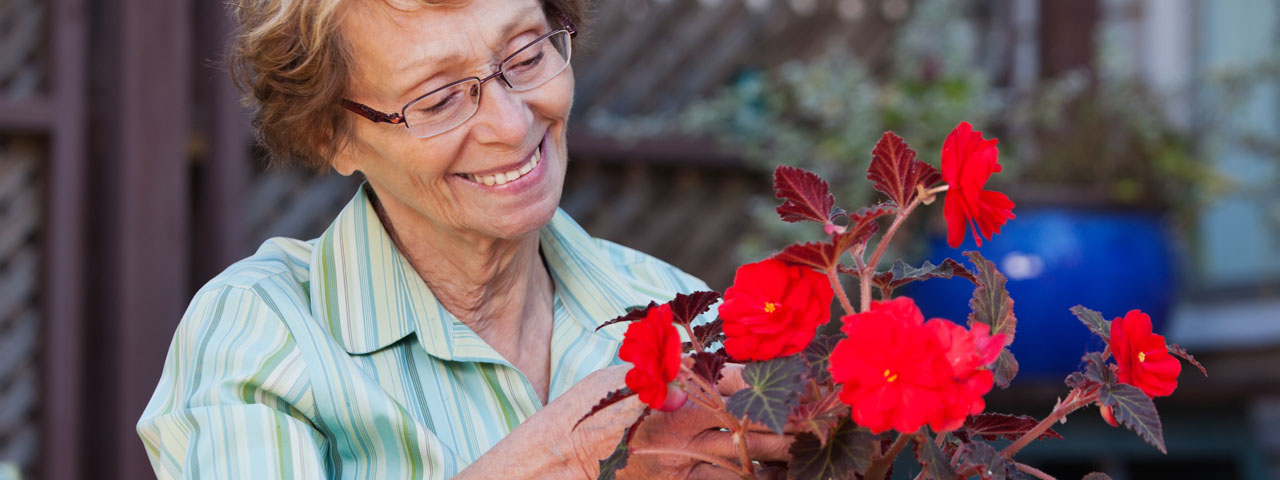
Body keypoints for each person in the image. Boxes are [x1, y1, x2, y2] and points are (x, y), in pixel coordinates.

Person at [136, 0, 792, 478]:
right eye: (440, 98)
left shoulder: (676, 305)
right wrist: (562, 453)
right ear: (329, 134)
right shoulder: (262, 335)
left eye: (528, 55)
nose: (510, 124)